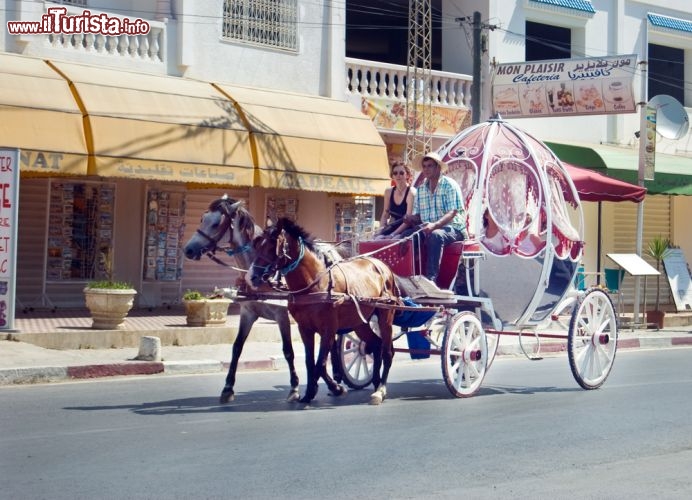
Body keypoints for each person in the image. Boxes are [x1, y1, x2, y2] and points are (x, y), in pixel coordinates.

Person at [393, 151, 466, 283]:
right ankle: (409, 277)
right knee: (407, 236)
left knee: (436, 235)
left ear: (438, 167)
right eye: (424, 166)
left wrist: (434, 225)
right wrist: (410, 218)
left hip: (453, 228)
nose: (426, 169)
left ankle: (431, 280)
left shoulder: (449, 185)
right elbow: (419, 216)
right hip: (429, 228)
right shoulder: (421, 189)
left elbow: (452, 212)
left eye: (430, 166)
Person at [375, 160, 416, 239]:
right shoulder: (388, 192)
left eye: (401, 173)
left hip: (407, 228)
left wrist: (392, 235)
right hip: (393, 225)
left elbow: (408, 220)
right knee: (377, 239)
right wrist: (380, 231)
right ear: (392, 176)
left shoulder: (411, 192)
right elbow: (385, 214)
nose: (398, 175)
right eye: (395, 173)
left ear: (407, 175)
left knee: (394, 240)